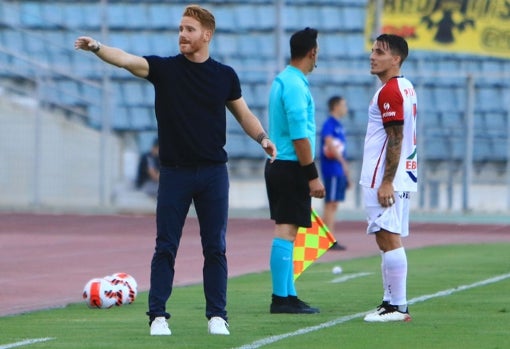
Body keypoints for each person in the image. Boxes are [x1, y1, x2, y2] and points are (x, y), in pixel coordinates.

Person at [74, 4, 276, 336]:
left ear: (207, 35)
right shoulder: (165, 69)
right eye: (180, 29)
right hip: (174, 173)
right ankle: (157, 316)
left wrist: (263, 138)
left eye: (189, 29)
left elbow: (244, 114)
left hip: (213, 173)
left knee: (216, 246)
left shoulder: (225, 75)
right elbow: (126, 59)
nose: (182, 34)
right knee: (166, 245)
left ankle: (217, 316)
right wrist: (97, 48)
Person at [264, 27, 324, 314]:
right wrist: (312, 175)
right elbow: (300, 135)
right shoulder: (296, 85)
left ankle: (289, 294)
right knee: (286, 230)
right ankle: (281, 298)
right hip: (291, 166)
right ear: (312, 52)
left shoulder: (283, 80)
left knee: (290, 230)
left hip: (281, 164)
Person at [360, 34, 417, 322]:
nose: (373, 56)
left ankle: (398, 306)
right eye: (372, 50)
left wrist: (386, 182)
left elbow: (395, 137)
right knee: (385, 239)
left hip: (385, 177)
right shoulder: (405, 87)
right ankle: (389, 301)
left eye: (379, 52)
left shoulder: (390, 92)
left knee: (389, 237)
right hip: (398, 175)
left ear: (396, 59)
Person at [320, 96, 351, 251]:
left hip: (338, 170)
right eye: (343, 104)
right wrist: (343, 162)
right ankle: (327, 239)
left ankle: (328, 237)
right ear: (335, 106)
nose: (346, 108)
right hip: (331, 169)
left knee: (334, 204)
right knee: (330, 203)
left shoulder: (339, 125)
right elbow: (329, 144)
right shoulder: (329, 124)